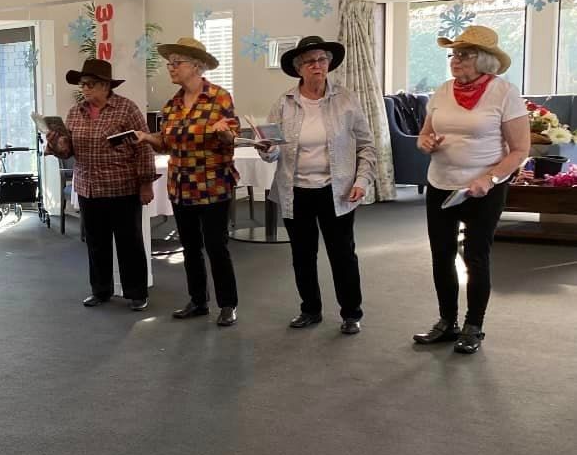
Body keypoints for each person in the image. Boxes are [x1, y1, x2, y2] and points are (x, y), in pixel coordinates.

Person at [413, 26, 530, 355]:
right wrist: (426, 143)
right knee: (441, 256)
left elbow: (520, 150)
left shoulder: (505, 92)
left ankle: (473, 326)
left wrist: (490, 179)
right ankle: (446, 322)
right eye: (453, 54)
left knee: (476, 258)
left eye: (464, 54)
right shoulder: (442, 91)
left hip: (483, 189)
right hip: (440, 183)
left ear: (485, 60)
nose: (455, 60)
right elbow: (424, 135)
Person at [256, 37, 376, 334]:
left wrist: (362, 180)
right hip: (294, 191)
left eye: (322, 59)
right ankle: (310, 309)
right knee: (302, 254)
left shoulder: (346, 100)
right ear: (299, 69)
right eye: (310, 61)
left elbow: (366, 145)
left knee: (342, 254)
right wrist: (266, 148)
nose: (318, 65)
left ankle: (351, 313)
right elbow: (273, 152)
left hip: (337, 191)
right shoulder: (283, 103)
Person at [135, 38, 239, 326]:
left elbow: (232, 138)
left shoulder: (219, 97)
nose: (171, 68)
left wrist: (223, 132)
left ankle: (228, 304)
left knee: (216, 246)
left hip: (213, 184)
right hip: (182, 185)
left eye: (176, 62)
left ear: (197, 66)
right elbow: (166, 143)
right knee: (190, 247)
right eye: (169, 63)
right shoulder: (172, 105)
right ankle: (198, 300)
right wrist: (147, 138)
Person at [45, 58, 155, 311]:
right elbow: (68, 151)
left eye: (90, 84)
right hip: (88, 188)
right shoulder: (75, 112)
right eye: (82, 84)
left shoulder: (127, 109)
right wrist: (55, 145)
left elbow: (144, 147)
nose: (84, 89)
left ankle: (137, 293)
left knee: (129, 242)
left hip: (122, 188)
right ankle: (100, 290)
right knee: (96, 243)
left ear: (106, 86)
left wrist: (146, 183)